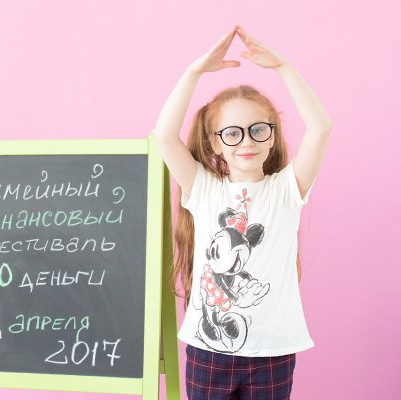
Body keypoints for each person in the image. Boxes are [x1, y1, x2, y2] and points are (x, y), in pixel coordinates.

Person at [152, 24, 332, 399]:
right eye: (232, 133)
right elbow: (164, 136)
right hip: (209, 350)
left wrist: (283, 67)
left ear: (272, 134)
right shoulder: (204, 189)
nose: (246, 141)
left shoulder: (287, 189)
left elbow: (321, 128)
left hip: (273, 352)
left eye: (257, 129)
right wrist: (193, 72)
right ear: (215, 143)